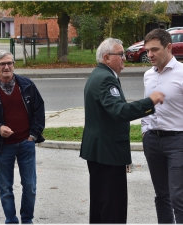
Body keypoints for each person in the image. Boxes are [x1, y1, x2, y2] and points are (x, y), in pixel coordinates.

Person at [79, 38, 165, 223]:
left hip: (100, 151)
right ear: (107, 58)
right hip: (108, 153)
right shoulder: (106, 79)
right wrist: (150, 102)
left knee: (100, 204)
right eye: (120, 54)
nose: (124, 58)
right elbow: (119, 111)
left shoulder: (98, 75)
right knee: (113, 207)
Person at [0, 49, 45, 224]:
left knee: (30, 186)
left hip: (26, 143)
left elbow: (39, 110)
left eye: (10, 63)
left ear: (14, 65)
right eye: (2, 64)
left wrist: (33, 135)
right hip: (3, 146)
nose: (6, 67)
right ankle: (11, 220)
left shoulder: (27, 86)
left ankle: (27, 219)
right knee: (6, 188)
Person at [142, 28, 183, 223]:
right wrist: (144, 132)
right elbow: (146, 106)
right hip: (152, 141)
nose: (150, 54)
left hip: (178, 141)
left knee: (178, 197)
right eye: (148, 50)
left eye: (155, 50)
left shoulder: (182, 73)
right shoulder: (148, 75)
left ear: (169, 47)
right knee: (162, 196)